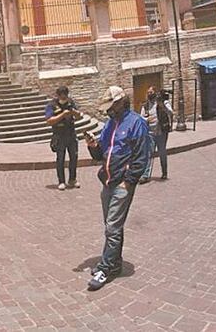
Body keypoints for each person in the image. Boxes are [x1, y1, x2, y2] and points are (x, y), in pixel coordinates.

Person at [84, 86, 152, 291]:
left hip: (122, 184)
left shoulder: (136, 123)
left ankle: (104, 268)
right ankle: (115, 264)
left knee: (112, 227)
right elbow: (102, 154)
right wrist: (93, 146)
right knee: (112, 227)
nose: (109, 110)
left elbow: (142, 156)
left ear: (122, 102)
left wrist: (129, 181)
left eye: (112, 105)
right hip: (108, 181)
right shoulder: (109, 124)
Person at [44, 85, 80, 190]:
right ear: (58, 95)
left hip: (71, 134)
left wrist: (74, 112)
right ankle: (61, 181)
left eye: (65, 95)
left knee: (74, 157)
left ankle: (72, 179)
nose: (64, 97)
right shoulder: (52, 105)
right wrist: (63, 115)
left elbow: (79, 115)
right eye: (62, 95)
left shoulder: (71, 103)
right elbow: (49, 120)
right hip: (59, 135)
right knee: (60, 159)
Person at [140, 87, 173, 181]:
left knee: (162, 152)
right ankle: (145, 175)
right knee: (148, 153)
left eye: (151, 92)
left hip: (161, 131)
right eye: (148, 92)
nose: (149, 94)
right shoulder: (145, 105)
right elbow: (141, 118)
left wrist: (163, 105)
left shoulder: (162, 102)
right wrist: (147, 119)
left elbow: (171, 112)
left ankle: (164, 173)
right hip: (150, 133)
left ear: (155, 93)